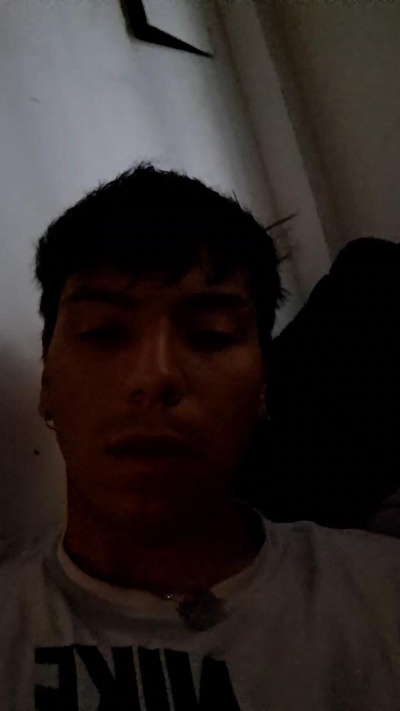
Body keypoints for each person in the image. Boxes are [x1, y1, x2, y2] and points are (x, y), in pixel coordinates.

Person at [0, 163, 399, 710]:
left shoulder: (382, 595)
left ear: (262, 387)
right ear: (47, 383)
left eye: (211, 336)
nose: (155, 376)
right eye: (104, 332)